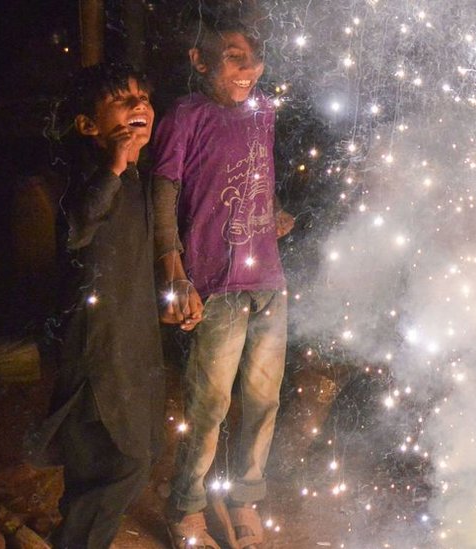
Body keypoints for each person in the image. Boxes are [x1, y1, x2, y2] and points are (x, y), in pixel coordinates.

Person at [151, 3, 293, 548]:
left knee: (263, 399)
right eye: (234, 58)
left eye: (255, 59)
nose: (248, 70)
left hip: (268, 283)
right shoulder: (185, 117)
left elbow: (260, 173)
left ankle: (244, 499)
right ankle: (185, 507)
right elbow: (163, 190)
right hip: (215, 285)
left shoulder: (263, 111)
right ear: (200, 60)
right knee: (209, 404)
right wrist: (175, 271)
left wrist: (273, 211)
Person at [27, 62, 165, 549]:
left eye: (142, 97)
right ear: (88, 126)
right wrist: (113, 165)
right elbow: (75, 229)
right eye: (122, 101)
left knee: (106, 461)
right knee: (122, 463)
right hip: (96, 345)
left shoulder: (135, 178)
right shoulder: (82, 175)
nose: (139, 106)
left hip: (131, 338)